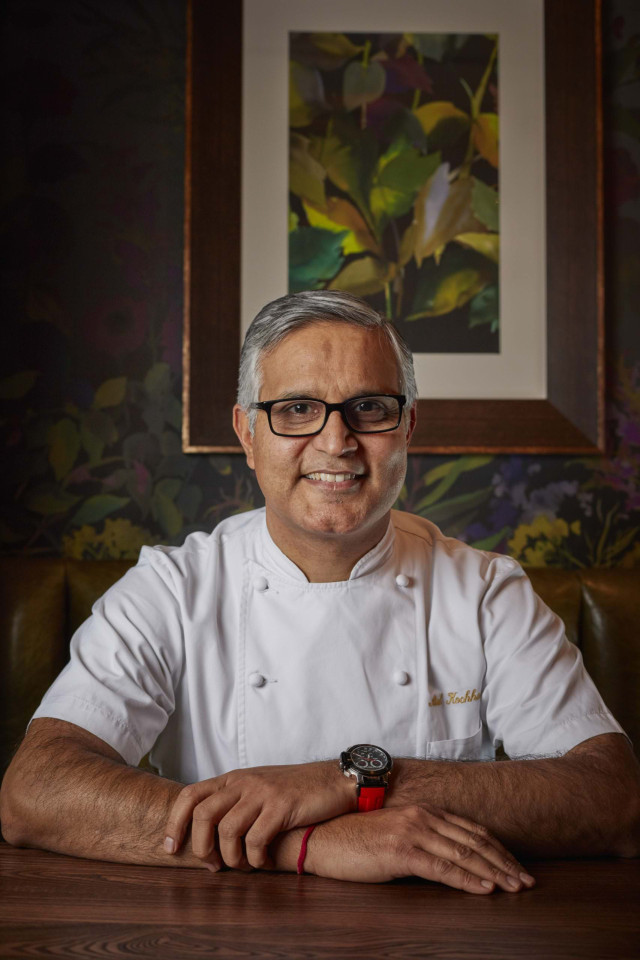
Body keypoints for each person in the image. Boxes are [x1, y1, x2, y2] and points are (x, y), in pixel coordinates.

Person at [1, 291, 638, 894]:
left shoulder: (484, 591)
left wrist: (348, 781)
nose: (336, 442)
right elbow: (34, 793)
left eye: (371, 408)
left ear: (408, 426)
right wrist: (307, 846)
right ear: (247, 433)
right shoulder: (171, 590)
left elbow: (614, 799)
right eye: (297, 409)